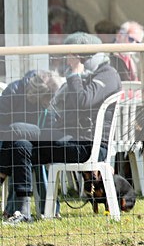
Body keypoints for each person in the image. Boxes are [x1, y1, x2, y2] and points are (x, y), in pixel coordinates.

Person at [3, 32, 121, 224]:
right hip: (67, 140)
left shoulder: (107, 74)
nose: (67, 61)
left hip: (86, 145)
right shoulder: (87, 75)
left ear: (83, 57)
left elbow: (83, 100)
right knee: (20, 145)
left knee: (17, 129)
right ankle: (22, 211)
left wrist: (74, 73)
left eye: (69, 56)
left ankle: (3, 173)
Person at [0, 70, 63, 219]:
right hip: (9, 142)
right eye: (49, 98)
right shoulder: (13, 92)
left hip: (35, 142)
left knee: (32, 153)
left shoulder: (49, 100)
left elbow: (51, 128)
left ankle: (48, 208)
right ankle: (22, 209)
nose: (51, 101)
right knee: (19, 150)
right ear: (39, 95)